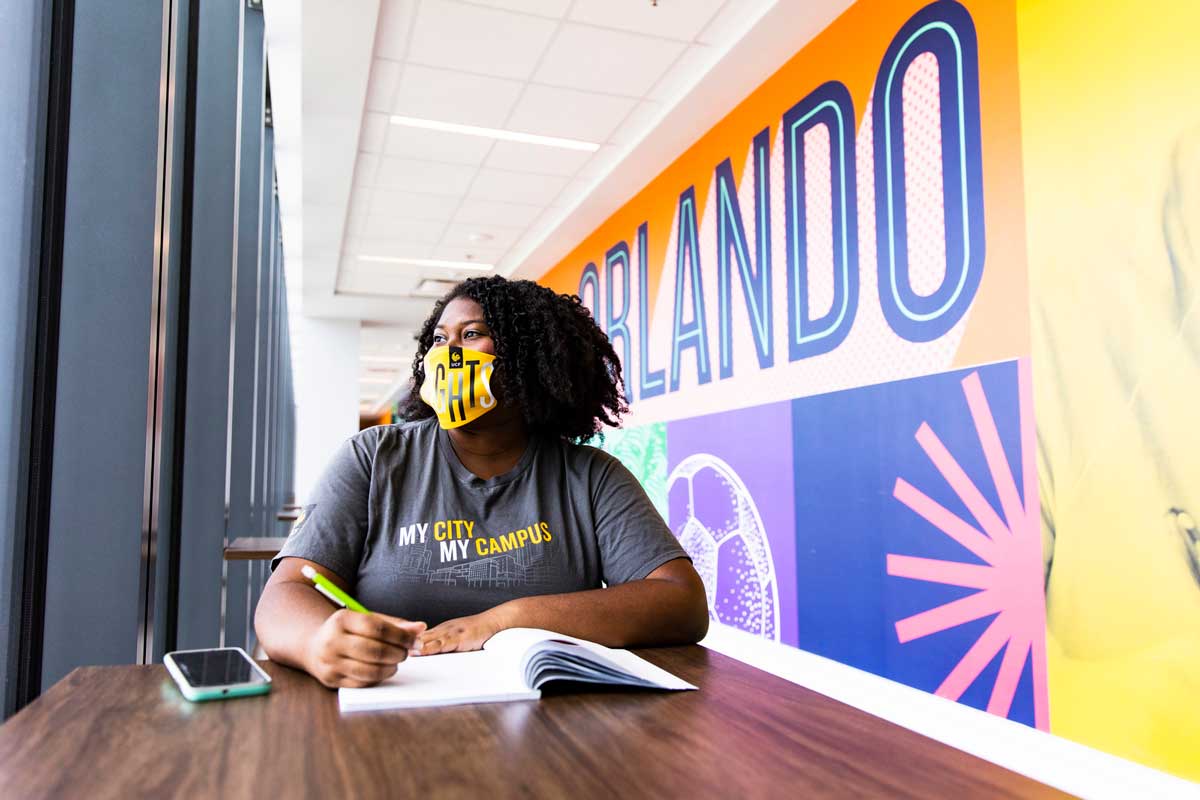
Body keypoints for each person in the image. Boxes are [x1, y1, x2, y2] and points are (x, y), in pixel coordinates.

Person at [255, 276, 709, 689]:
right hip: (386, 713)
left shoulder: (590, 477)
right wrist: (318, 641)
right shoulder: (374, 457)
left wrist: (503, 620)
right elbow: (285, 595)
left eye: (470, 335)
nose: (446, 353)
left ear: (529, 358)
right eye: (439, 339)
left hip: (550, 725)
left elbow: (682, 603)